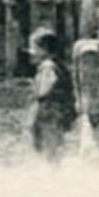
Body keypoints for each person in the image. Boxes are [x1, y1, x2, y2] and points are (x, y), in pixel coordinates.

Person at [29, 26, 77, 160]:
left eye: (35, 48)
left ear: (44, 49)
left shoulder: (48, 66)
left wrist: (35, 93)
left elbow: (43, 91)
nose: (32, 53)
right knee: (54, 147)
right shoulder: (59, 65)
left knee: (48, 148)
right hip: (58, 111)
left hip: (49, 112)